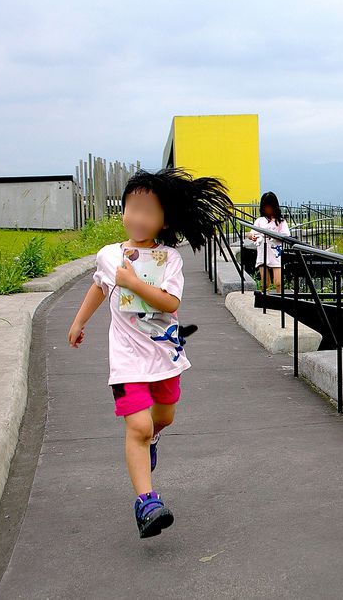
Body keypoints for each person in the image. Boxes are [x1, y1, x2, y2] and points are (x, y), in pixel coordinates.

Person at [67, 167, 232, 538]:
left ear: (163, 220)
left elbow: (170, 301)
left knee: (164, 417)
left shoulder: (169, 259)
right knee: (138, 427)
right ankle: (147, 502)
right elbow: (99, 287)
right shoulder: (109, 255)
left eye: (149, 212)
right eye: (133, 208)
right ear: (123, 210)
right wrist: (80, 322)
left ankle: (153, 440)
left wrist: (133, 282)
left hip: (163, 355)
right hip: (126, 360)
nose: (138, 218)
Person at [248, 191, 290, 293]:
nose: (268, 209)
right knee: (265, 283)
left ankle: (280, 301)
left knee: (278, 282)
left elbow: (286, 235)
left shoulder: (281, 221)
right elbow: (250, 233)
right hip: (263, 253)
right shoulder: (260, 220)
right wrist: (252, 236)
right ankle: (265, 303)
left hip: (276, 254)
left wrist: (272, 235)